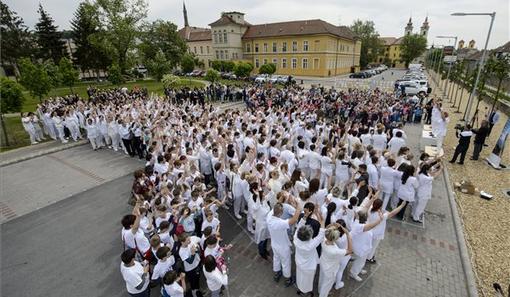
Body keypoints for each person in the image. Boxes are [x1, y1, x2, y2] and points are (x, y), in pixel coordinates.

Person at [267, 202, 302, 287]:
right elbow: (294, 220)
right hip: (283, 247)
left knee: (276, 259)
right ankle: (287, 279)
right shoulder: (280, 223)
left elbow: (277, 205)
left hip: (274, 244)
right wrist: (298, 208)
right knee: (286, 263)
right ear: (281, 213)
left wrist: (282, 197)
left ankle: (277, 274)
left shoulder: (269, 217)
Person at [294, 213, 325, 296]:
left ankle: (300, 289)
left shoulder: (296, 239)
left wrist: (304, 217)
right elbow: (321, 235)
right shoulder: (311, 244)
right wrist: (321, 220)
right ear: (310, 235)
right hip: (309, 267)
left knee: (300, 277)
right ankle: (306, 292)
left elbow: (298, 227)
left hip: (299, 263)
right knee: (308, 280)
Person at [318, 224, 352, 297]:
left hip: (323, 263)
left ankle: (319, 290)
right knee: (326, 285)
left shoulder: (323, 239)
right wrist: (348, 234)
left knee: (321, 279)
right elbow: (349, 250)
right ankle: (323, 295)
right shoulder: (335, 251)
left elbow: (325, 229)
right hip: (330, 270)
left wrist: (332, 225)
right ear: (335, 239)